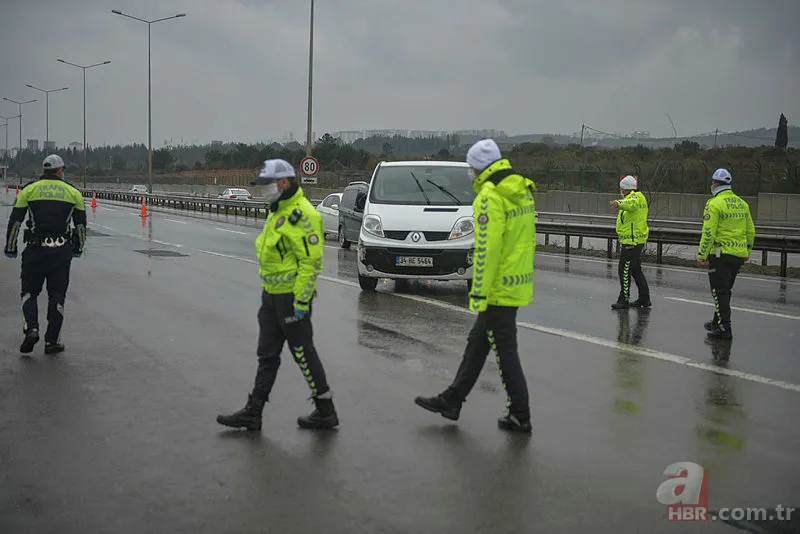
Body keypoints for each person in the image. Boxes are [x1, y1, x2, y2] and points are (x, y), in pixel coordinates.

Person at [414, 139, 536, 433]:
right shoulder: (519, 190)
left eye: (471, 167)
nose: (470, 172)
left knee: (505, 352)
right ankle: (452, 400)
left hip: (497, 287)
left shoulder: (489, 197)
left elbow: (487, 249)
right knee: (477, 343)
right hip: (515, 281)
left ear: (479, 167)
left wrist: (478, 290)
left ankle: (519, 414)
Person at [216, 158, 338, 431]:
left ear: (283, 182)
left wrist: (301, 302)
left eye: (267, 184)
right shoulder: (277, 210)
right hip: (270, 296)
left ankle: (325, 409)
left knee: (303, 355)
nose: (263, 190)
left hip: (291, 300)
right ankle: (254, 411)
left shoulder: (304, 215)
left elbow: (311, 264)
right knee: (267, 356)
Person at [3, 154, 86, 354]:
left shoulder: (28, 190)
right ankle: (52, 342)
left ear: (44, 170)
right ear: (60, 171)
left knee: (29, 292)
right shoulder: (73, 192)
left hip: (34, 250)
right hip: (60, 252)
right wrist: (78, 249)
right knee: (57, 296)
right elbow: (81, 227)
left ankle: (31, 329)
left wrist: (11, 247)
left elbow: (15, 222)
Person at [697, 168, 755, 340]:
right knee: (725, 290)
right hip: (738, 255)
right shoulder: (742, 204)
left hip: (720, 254)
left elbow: (709, 232)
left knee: (719, 291)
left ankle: (724, 328)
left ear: (715, 184)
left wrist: (702, 254)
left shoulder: (714, 204)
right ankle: (717, 321)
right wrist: (747, 251)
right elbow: (750, 231)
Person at [609, 175, 651, 309]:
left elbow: (631, 206)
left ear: (626, 188)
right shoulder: (637, 197)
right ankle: (644, 299)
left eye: (622, 188)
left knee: (624, 270)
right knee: (636, 271)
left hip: (632, 242)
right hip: (633, 240)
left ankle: (624, 299)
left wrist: (618, 203)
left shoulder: (634, 197)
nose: (621, 190)